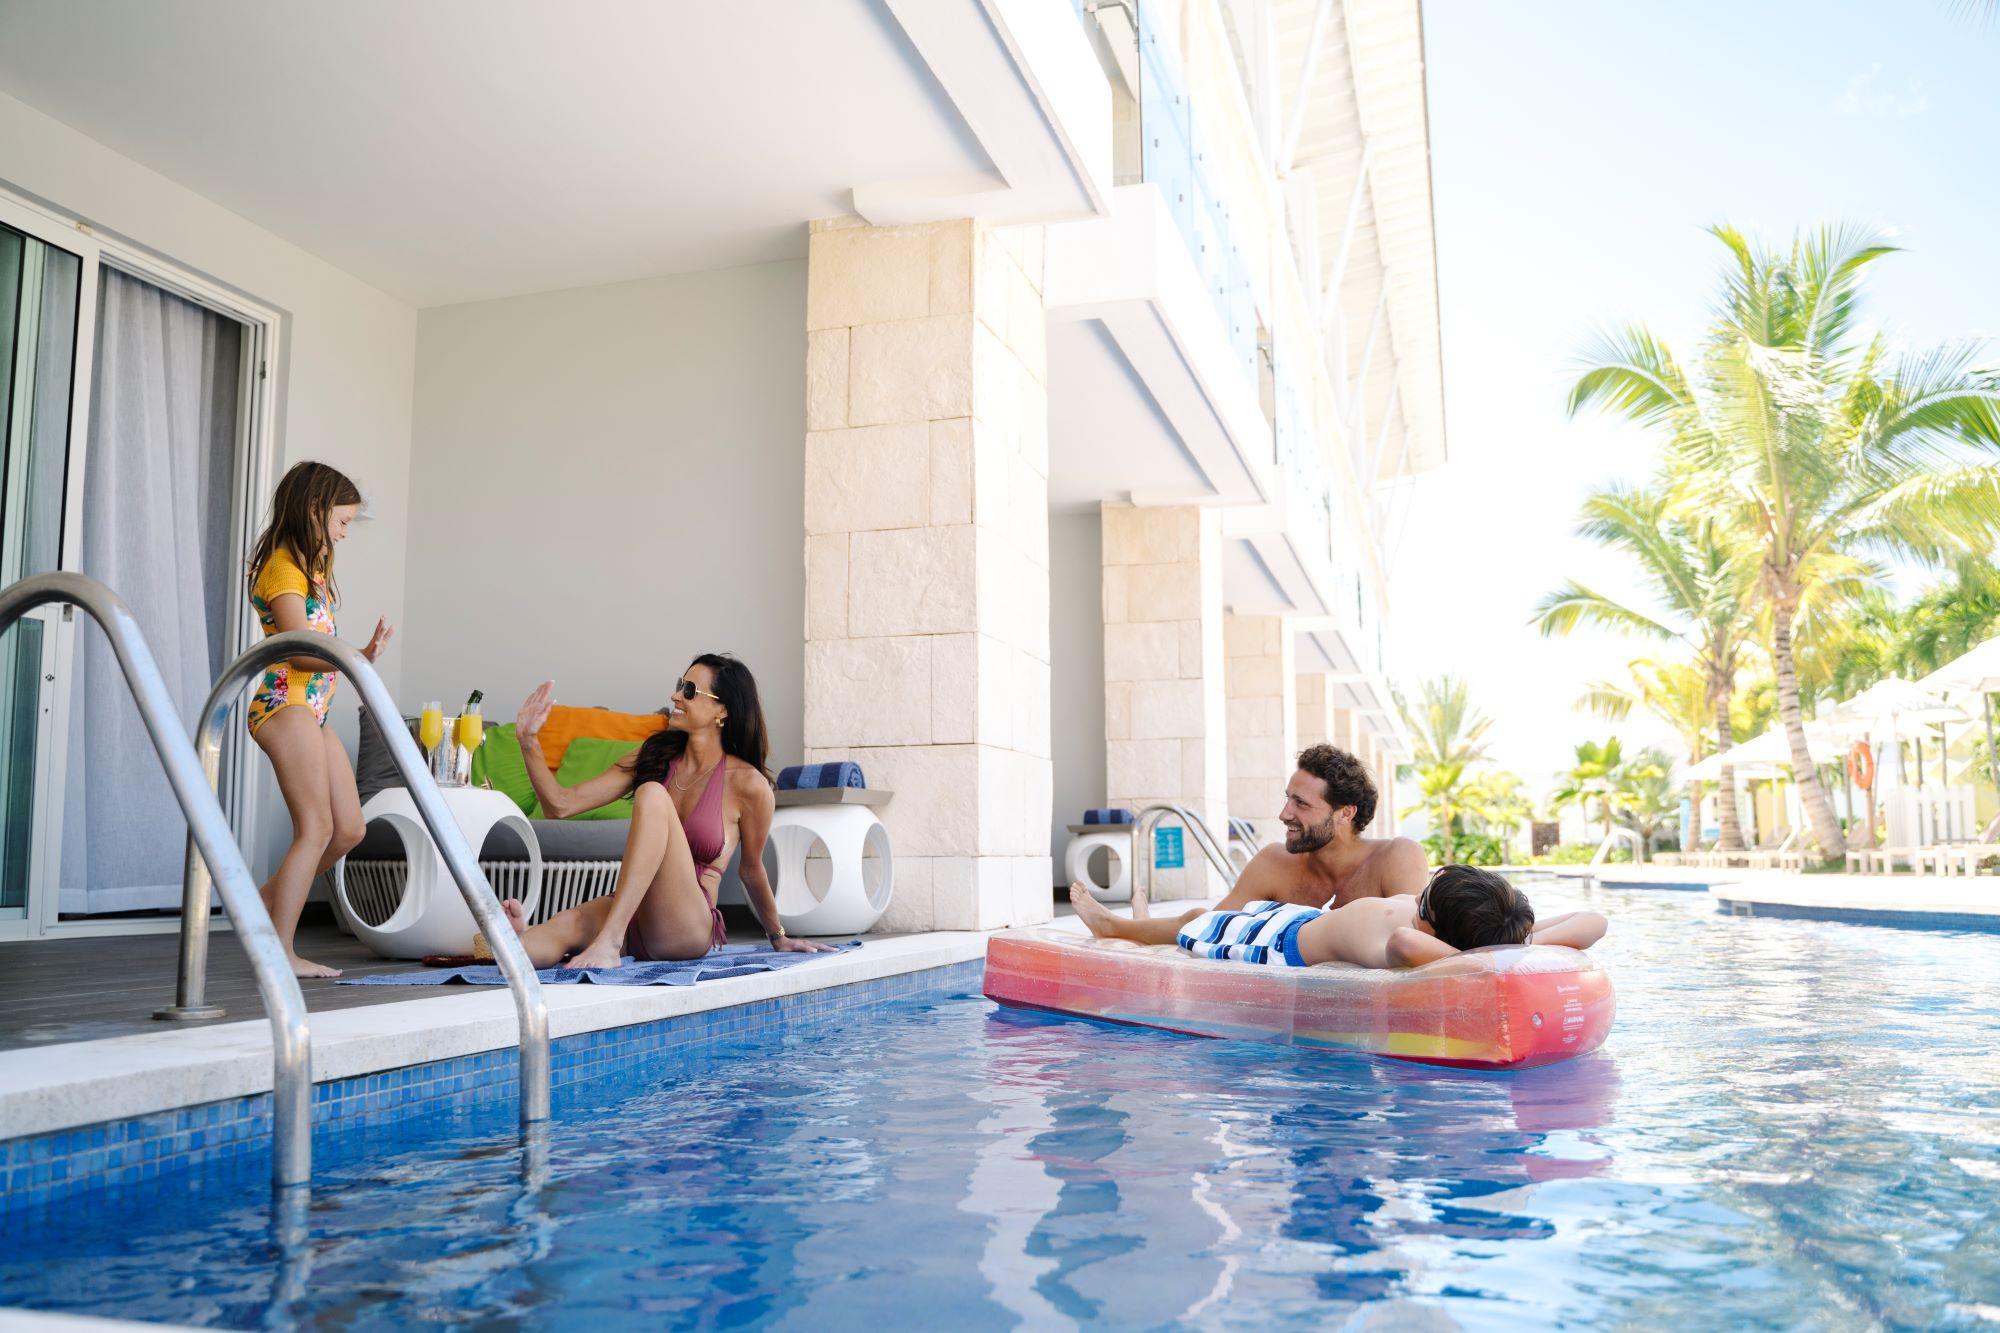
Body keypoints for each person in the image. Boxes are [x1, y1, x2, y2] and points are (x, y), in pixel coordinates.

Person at [496, 655, 836, 969]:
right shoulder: (654, 756)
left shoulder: (750, 785)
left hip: (687, 926)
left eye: (690, 691)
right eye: (679, 686)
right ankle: (522, 937)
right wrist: (528, 741)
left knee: (652, 794)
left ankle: (609, 943)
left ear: (723, 711)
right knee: (553, 931)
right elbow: (561, 805)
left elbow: (751, 870)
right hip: (635, 914)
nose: (676, 697)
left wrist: (778, 936)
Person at [244, 461, 394, 978]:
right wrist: (356, 655)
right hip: (284, 706)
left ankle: (262, 903)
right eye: (341, 521)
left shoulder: (313, 565)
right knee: (316, 826)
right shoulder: (282, 570)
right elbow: (301, 652)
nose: (345, 532)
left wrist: (361, 653)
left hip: (313, 712)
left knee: (349, 829)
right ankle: (279, 952)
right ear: (313, 510)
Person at [1067, 743, 1428, 948]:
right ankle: (1115, 927)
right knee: (1199, 919)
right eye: (1288, 799)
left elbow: (1417, 939)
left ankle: (1130, 926)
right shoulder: (1276, 861)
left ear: (1345, 813)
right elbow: (1206, 927)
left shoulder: (1396, 857)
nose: (1284, 813)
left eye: (1301, 804)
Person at [1171, 864, 1607, 971]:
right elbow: (1595, 920)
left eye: (1423, 903)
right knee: (1207, 913)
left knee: (1198, 918)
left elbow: (1404, 941)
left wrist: (1491, 954)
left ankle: (1120, 927)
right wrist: (1518, 945)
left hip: (1282, 942)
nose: (1416, 897)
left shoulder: (1410, 943)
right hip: (1303, 918)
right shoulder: (1490, 933)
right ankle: (1127, 925)